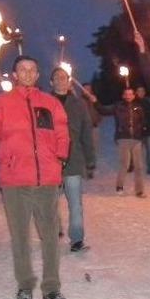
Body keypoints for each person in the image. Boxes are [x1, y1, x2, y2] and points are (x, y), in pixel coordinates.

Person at [0, 55, 70, 299]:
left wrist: (59, 158)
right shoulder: (1, 102)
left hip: (46, 181)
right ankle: (25, 284)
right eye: (22, 69)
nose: (28, 73)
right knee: (19, 235)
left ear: (38, 75)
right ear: (15, 75)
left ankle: (51, 286)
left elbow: (62, 133)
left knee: (50, 235)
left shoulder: (50, 103)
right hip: (15, 180)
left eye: (32, 69)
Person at [50, 67, 96, 252]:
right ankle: (54, 230)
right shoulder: (44, 102)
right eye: (57, 78)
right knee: (50, 201)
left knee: (75, 203)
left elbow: (86, 132)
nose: (61, 80)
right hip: (50, 161)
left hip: (73, 160)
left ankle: (77, 238)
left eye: (64, 77)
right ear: (51, 82)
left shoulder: (79, 104)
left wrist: (90, 159)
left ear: (69, 82)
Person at [95, 87, 147, 197]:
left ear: (133, 95)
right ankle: (119, 187)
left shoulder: (138, 107)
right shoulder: (118, 106)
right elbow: (103, 110)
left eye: (130, 94)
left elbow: (143, 121)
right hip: (123, 138)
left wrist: (142, 131)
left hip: (136, 139)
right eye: (126, 94)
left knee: (139, 166)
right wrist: (95, 102)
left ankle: (139, 190)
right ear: (123, 96)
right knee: (125, 164)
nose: (128, 96)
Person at [82, 82, 103, 170]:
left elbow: (100, 110)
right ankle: (84, 165)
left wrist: (98, 120)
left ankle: (91, 164)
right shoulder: (79, 100)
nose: (87, 90)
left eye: (89, 88)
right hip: (83, 129)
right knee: (84, 147)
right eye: (85, 88)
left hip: (94, 127)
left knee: (94, 147)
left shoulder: (95, 99)